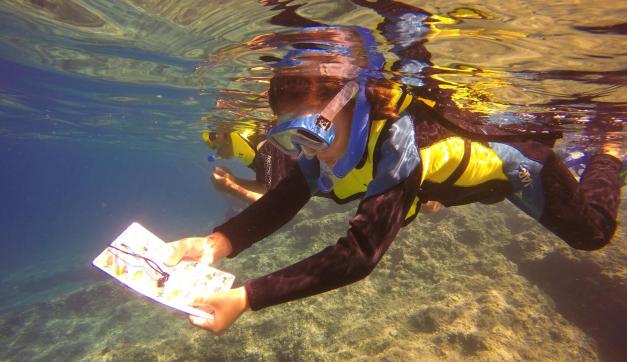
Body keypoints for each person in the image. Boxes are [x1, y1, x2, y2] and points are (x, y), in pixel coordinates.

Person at [164, 8, 623, 335]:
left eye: (311, 136)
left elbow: (359, 253)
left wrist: (247, 297)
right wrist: (215, 243)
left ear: (355, 110)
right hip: (460, 187)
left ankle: (608, 152)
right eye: (289, 139)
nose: (305, 153)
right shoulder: (323, 146)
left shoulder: (397, 149)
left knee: (593, 234)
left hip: (521, 169)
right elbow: (286, 196)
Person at [203, 129, 296, 203]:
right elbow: (265, 187)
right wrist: (234, 180)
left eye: (213, 137)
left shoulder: (265, 150)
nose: (217, 151)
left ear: (225, 134)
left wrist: (230, 187)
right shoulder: (256, 151)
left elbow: (275, 202)